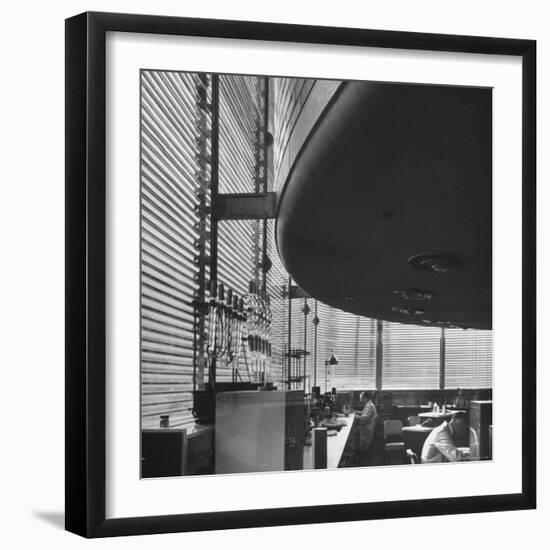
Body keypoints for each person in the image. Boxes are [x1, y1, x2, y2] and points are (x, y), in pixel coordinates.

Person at [357, 391, 377, 455]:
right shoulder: (368, 404)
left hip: (367, 429)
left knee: (363, 449)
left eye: (361, 398)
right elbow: (363, 413)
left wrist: (355, 417)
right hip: (366, 427)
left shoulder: (370, 406)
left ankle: (363, 461)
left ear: (365, 398)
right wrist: (355, 411)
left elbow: (365, 418)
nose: (360, 401)